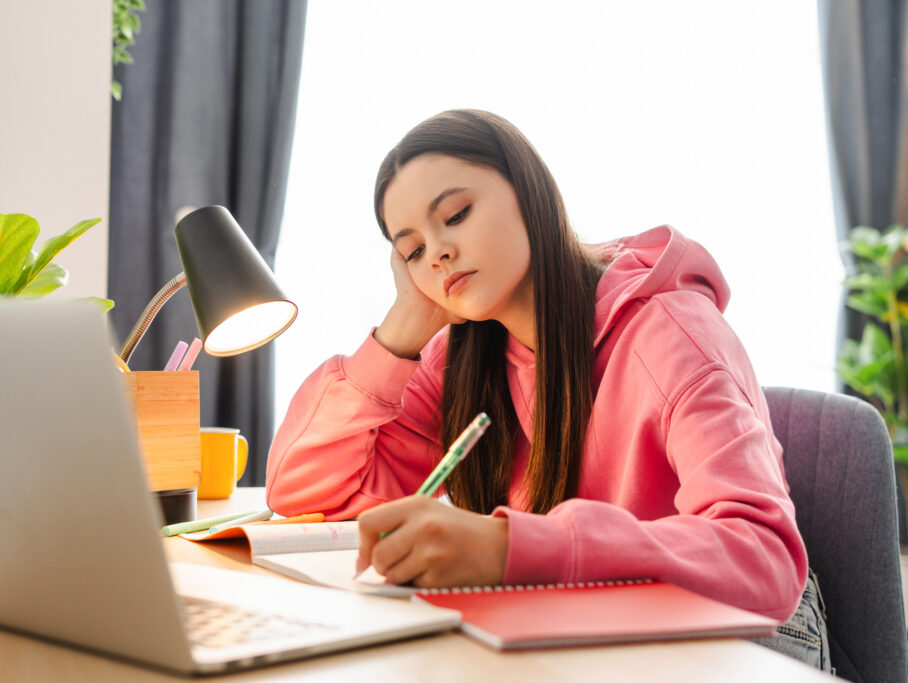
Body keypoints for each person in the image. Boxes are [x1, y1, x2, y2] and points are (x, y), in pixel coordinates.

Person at [266, 109, 830, 670]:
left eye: (456, 214)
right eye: (411, 250)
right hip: (589, 627)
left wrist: (510, 549)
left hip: (751, 639)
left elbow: (765, 558)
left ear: (527, 191)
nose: (436, 252)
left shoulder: (670, 333)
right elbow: (305, 492)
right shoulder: (461, 359)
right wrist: (399, 332)